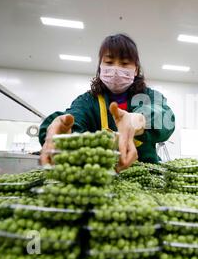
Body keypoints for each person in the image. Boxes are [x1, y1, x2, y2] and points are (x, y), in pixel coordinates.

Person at [39, 33, 175, 170]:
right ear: (100, 68)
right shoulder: (87, 101)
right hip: (101, 178)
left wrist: (137, 121)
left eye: (125, 63)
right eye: (109, 63)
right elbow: (73, 119)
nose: (116, 69)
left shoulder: (149, 97)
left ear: (136, 70)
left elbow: (163, 117)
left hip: (147, 177)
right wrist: (63, 133)